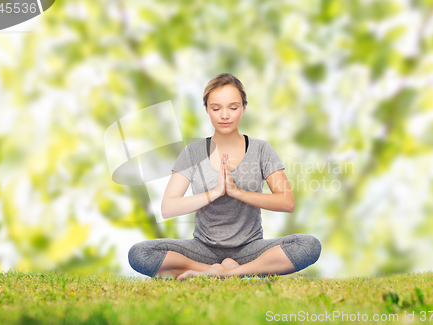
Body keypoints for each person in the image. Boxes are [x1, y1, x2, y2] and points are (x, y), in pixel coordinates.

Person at [128, 73, 321, 280]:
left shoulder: (261, 149)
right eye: (216, 108)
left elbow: (286, 202)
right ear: (207, 111)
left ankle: (227, 273)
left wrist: (237, 192)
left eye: (233, 107)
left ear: (243, 109)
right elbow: (168, 208)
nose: (225, 115)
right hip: (202, 250)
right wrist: (215, 193)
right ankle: (215, 270)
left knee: (308, 245)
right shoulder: (192, 153)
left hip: (250, 249)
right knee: (140, 254)